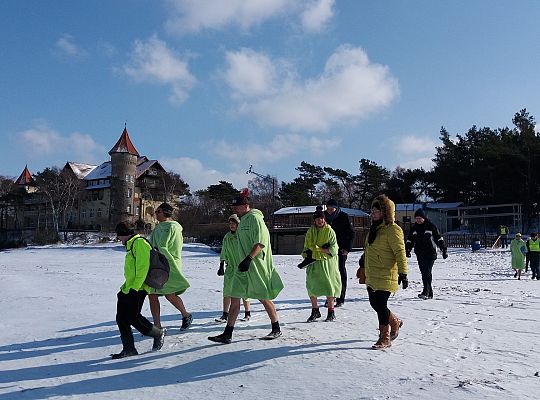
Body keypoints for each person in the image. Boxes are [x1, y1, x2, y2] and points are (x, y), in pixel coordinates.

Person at [208, 189, 284, 344]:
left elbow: (260, 242)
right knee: (235, 297)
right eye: (233, 207)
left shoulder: (255, 219)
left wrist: (249, 258)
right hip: (241, 267)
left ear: (246, 205)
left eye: (237, 207)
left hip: (255, 265)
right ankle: (227, 333)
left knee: (263, 296)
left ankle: (276, 328)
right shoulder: (242, 221)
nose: (234, 209)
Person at [111, 222, 165, 359]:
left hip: (139, 288)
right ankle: (129, 349)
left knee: (133, 317)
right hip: (128, 287)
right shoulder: (131, 245)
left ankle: (157, 333)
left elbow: (143, 268)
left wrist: (135, 289)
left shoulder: (139, 243)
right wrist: (126, 288)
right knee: (121, 318)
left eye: (119, 236)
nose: (118, 239)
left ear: (125, 234)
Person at [363, 194, 408, 350]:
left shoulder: (393, 229)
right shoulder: (374, 230)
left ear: (385, 212)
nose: (373, 214)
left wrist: (403, 273)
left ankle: (385, 337)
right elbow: (369, 249)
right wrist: (363, 262)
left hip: (387, 273)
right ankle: (394, 321)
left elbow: (400, 252)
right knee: (374, 303)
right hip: (372, 273)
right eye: (372, 212)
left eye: (376, 211)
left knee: (381, 304)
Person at [147, 203, 192, 331]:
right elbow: (151, 245)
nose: (156, 213)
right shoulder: (157, 228)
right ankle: (157, 325)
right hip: (155, 265)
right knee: (152, 294)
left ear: (166, 212)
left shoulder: (173, 227)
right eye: (156, 211)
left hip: (168, 265)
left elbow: (162, 246)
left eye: (158, 211)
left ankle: (186, 315)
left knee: (169, 294)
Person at [298, 210, 341, 323]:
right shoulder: (310, 232)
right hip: (313, 262)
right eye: (317, 219)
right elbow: (306, 247)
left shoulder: (330, 231)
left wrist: (321, 249)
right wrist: (306, 254)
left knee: (329, 285)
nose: (319, 220)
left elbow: (334, 249)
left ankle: (331, 311)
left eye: (321, 218)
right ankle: (315, 310)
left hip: (327, 263)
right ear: (314, 220)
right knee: (311, 286)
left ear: (324, 219)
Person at [405, 208, 448, 300]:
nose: (418, 220)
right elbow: (410, 240)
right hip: (420, 253)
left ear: (424, 218)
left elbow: (439, 239)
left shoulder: (431, 226)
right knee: (423, 272)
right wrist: (407, 249)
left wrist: (444, 250)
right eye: (416, 218)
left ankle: (426, 291)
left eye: (420, 218)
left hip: (430, 253)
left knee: (426, 271)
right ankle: (430, 293)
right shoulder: (414, 228)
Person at [216, 214, 251, 323]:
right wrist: (221, 264)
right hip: (230, 268)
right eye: (230, 223)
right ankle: (225, 314)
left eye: (234, 223)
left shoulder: (242, 235)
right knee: (227, 291)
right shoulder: (227, 236)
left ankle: (247, 313)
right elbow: (224, 250)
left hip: (241, 267)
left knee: (244, 291)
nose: (231, 225)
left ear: (238, 224)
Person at [324, 199, 354, 307]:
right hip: (327, 249)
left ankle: (341, 297)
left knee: (340, 271)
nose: (330, 210)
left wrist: (347, 248)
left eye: (332, 208)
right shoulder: (324, 217)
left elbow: (351, 233)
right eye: (328, 208)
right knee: (329, 273)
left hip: (341, 249)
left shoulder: (344, 216)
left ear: (336, 208)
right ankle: (330, 297)